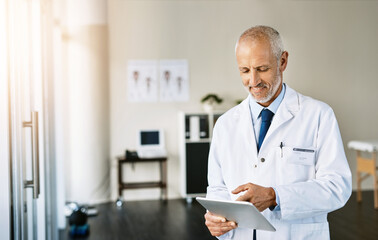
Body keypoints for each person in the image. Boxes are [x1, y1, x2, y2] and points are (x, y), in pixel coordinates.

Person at [204, 25, 352, 240]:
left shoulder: (319, 115)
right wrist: (215, 218)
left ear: (282, 61)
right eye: (245, 70)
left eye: (262, 69)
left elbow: (337, 187)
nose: (253, 81)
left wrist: (276, 197)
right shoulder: (225, 124)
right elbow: (217, 188)